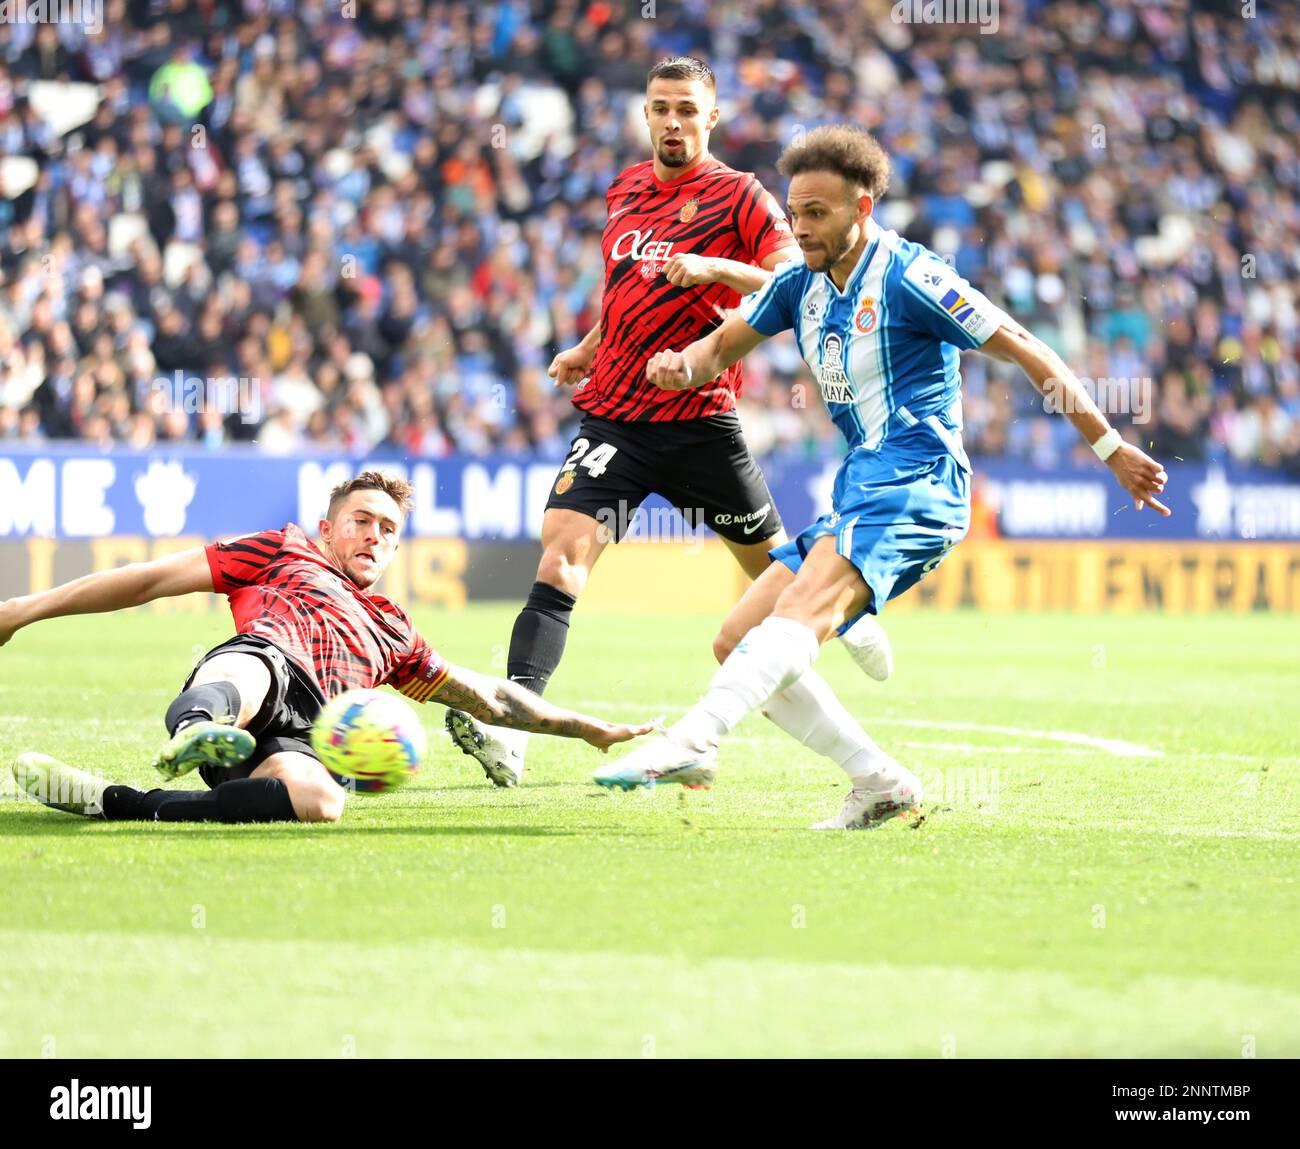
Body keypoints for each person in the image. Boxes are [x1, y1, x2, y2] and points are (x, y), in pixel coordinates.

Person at [594, 125, 1170, 829]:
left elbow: (1023, 346)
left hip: (919, 478)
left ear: (861, 210)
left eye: (818, 213)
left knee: (798, 614)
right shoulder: (798, 283)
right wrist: (685, 362)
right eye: (795, 211)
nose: (800, 227)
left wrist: (1111, 448)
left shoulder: (911, 277)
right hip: (861, 484)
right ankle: (878, 778)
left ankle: (692, 738)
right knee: (736, 637)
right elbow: (722, 345)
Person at [445, 54, 819, 788]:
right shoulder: (623, 188)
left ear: (712, 117)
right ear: (645, 114)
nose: (672, 121)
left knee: (783, 580)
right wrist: (587, 348)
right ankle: (513, 727)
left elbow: (791, 278)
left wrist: (714, 269)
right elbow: (623, 290)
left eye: (687, 108)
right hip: (614, 418)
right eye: (660, 108)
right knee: (559, 558)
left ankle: (760, 707)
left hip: (702, 421)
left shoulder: (740, 197)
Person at [2, 472, 651, 824]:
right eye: (361, 520)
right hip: (265, 662)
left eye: (388, 528)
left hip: (310, 732)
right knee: (254, 665)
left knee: (323, 802)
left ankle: (117, 802)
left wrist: (585, 728)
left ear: (397, 547)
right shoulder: (284, 548)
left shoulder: (395, 632)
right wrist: (22, 610)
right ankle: (199, 726)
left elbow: (487, 695)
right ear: (327, 528)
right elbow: (146, 579)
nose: (374, 534)